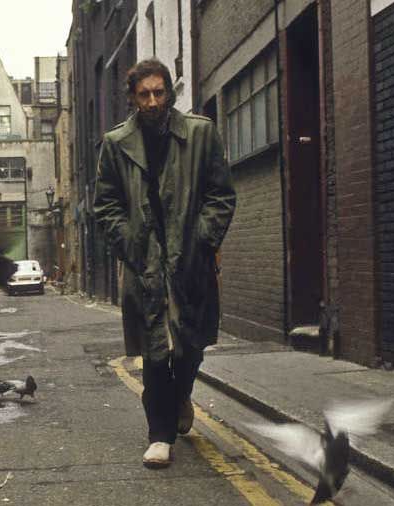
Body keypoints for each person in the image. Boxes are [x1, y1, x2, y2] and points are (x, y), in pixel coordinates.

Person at [93, 59, 236, 469]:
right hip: (145, 264)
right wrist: (130, 243)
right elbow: (106, 206)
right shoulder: (116, 143)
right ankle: (160, 435)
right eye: (144, 94)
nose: (153, 101)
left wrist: (202, 240)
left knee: (190, 347)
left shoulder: (200, 133)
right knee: (155, 352)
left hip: (190, 260)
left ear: (169, 93)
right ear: (133, 99)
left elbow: (220, 195)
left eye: (159, 92)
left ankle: (181, 395)